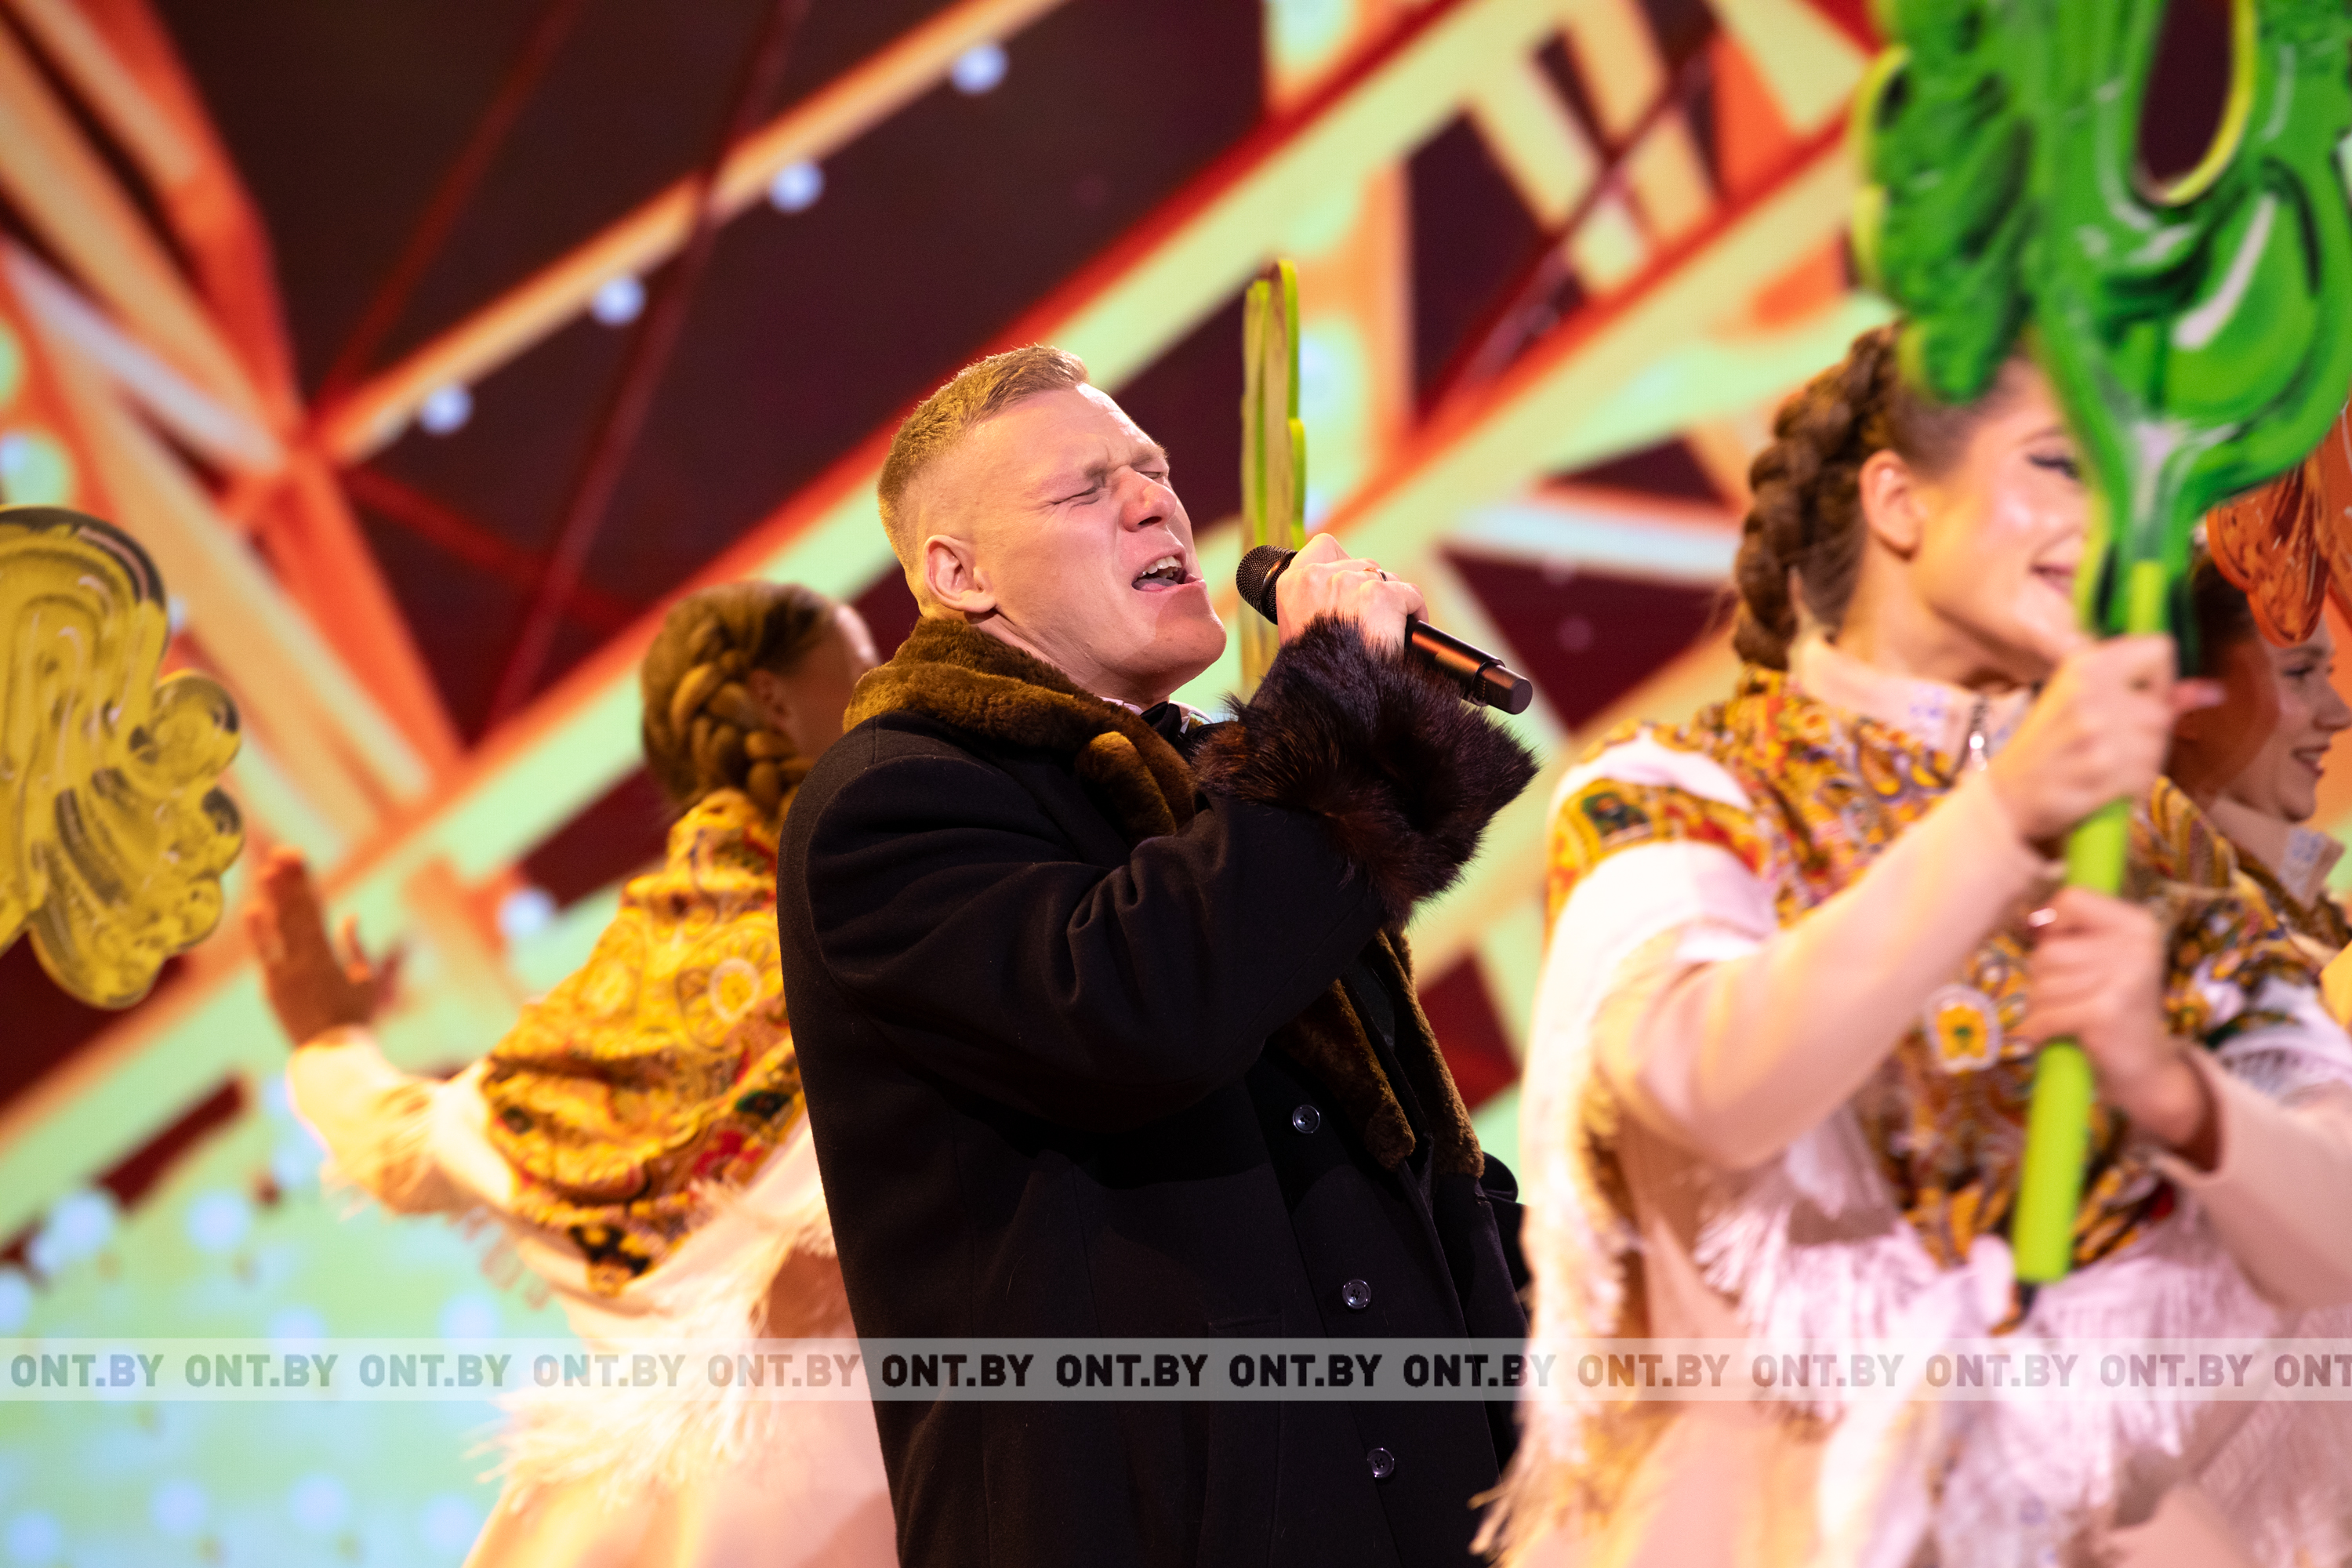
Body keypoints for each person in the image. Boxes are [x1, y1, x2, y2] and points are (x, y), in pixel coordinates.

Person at [1487, 326, 2352, 1568]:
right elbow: (1705, 1084)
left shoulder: (2157, 858)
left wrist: (2178, 1091)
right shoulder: (1685, 790)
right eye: (2062, 466)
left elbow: (2334, 1231)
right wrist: (2002, 821)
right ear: (1898, 501)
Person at [774, 344, 1537, 1567]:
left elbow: (1392, 1132)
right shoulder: (891, 803)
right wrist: (1329, 704)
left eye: (1156, 470)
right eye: (1085, 489)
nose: (1153, 503)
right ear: (959, 575)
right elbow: (1139, 1008)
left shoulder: (1216, 787)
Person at [249, 583, 893, 1568]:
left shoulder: (561, 1049)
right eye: (862, 666)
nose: (889, 687)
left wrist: (325, 1037)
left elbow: (398, 1142)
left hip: (701, 1526)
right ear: (773, 702)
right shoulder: (911, 907)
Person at [2169, 552, 2352, 962]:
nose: (2341, 715)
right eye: (2299, 673)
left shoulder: (2309, 906)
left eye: (2327, 673)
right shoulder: (2148, 901)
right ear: (2184, 703)